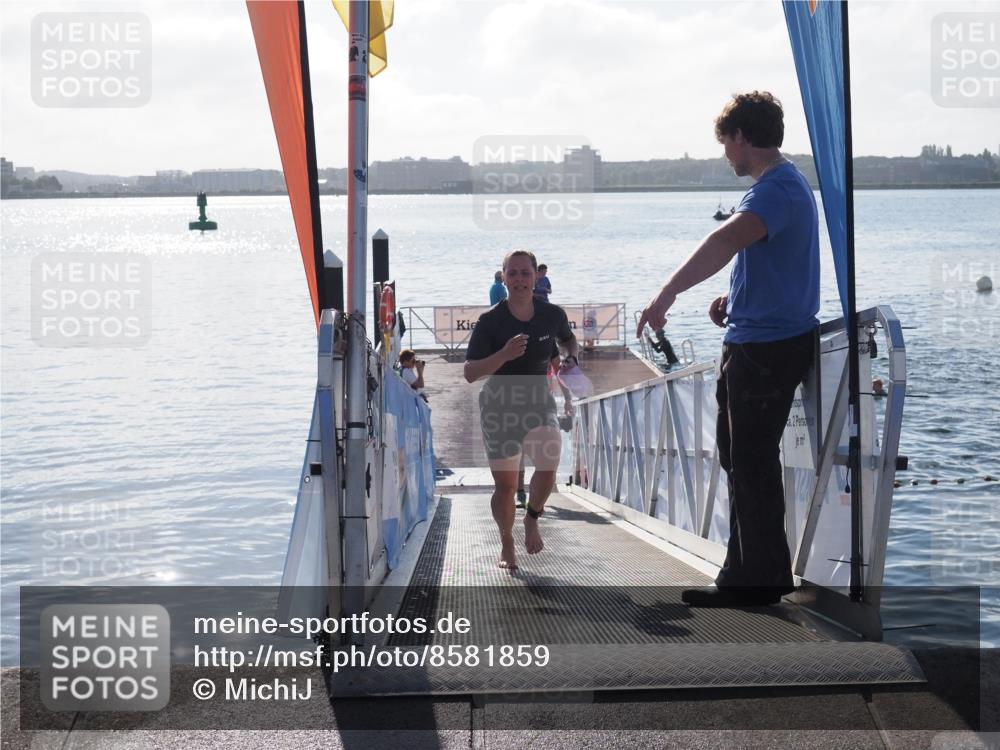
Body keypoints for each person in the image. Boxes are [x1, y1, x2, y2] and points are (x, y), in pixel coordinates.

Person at [637, 91, 819, 608]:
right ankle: (748, 573)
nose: (725, 154)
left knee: (752, 461)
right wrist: (733, 298)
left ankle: (753, 582)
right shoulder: (782, 189)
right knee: (740, 459)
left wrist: (665, 295)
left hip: (766, 350)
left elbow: (723, 242)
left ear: (742, 137)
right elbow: (764, 257)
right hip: (760, 338)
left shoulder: (775, 189)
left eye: (725, 143)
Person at [465, 250, 579, 570]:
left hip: (537, 397)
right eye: (511, 274)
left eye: (524, 273)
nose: (518, 279)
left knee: (549, 461)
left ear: (535, 277)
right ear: (503, 278)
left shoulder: (552, 314)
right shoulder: (490, 321)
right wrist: (503, 354)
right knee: (504, 486)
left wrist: (570, 357)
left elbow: (569, 341)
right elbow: (471, 372)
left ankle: (532, 517)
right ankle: (506, 540)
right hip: (499, 402)